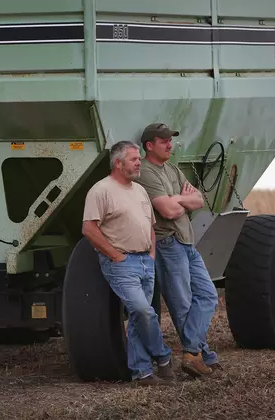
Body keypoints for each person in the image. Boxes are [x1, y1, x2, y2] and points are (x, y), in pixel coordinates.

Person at [82, 140, 175, 385]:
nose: (139, 163)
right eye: (134, 159)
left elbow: (150, 226)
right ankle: (163, 357)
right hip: (122, 264)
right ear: (118, 163)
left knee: (137, 317)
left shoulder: (140, 190)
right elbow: (89, 229)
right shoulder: (101, 190)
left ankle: (142, 373)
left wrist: (152, 253)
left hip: (145, 261)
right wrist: (116, 256)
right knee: (144, 311)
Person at [134, 123, 221, 378]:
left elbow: (199, 200)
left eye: (170, 140)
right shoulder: (146, 172)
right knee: (182, 304)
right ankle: (201, 356)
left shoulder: (171, 169)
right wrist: (182, 201)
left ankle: (194, 353)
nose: (170, 145)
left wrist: (179, 200)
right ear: (149, 146)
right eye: (164, 141)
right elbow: (168, 211)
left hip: (187, 242)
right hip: (168, 243)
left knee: (207, 295)